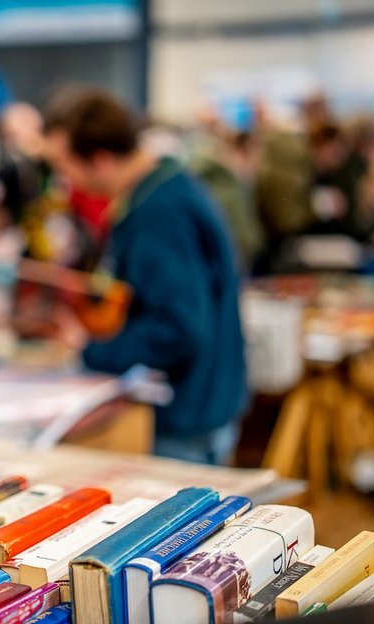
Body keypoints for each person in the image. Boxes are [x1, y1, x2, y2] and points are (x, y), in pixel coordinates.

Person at [42, 87, 248, 466]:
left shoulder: (159, 214)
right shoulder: (165, 185)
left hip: (187, 413)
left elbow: (179, 327)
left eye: (63, 164)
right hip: (203, 399)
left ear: (100, 159)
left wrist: (92, 350)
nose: (63, 178)